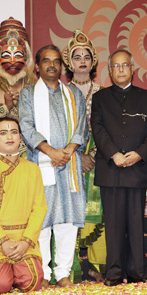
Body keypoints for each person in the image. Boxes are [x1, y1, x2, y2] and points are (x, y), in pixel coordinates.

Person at [19, 45, 88, 288]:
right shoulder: (28, 94)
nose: (51, 65)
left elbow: (82, 128)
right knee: (42, 219)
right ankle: (44, 274)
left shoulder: (74, 94)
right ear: (37, 67)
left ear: (62, 66)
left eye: (56, 61)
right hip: (41, 164)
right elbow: (26, 128)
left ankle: (63, 273)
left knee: (67, 221)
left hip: (69, 166)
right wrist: (51, 152)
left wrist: (67, 152)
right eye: (46, 61)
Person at [91, 49, 147, 286]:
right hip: (110, 169)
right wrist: (114, 154)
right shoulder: (100, 99)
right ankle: (113, 273)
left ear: (133, 69)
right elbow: (97, 129)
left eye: (125, 65)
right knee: (113, 225)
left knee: (135, 222)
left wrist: (138, 154)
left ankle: (138, 272)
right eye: (115, 66)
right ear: (109, 71)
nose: (120, 70)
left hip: (136, 168)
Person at [0, 118, 47, 294]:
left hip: (23, 239)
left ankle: (16, 270)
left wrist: (25, 242)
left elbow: (40, 208)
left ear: (20, 137)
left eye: (14, 132)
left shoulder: (32, 169)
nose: (9, 137)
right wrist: (3, 242)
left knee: (32, 282)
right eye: (3, 133)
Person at [61, 30, 106, 281]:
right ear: (69, 62)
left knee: (97, 215)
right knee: (68, 214)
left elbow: (107, 130)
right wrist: (78, 157)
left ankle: (98, 266)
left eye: (86, 56)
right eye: (76, 56)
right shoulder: (61, 93)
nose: (81, 60)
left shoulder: (103, 92)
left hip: (97, 162)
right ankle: (70, 269)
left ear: (93, 61)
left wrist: (93, 156)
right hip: (68, 162)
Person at [0, 18, 35, 127]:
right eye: (7, 56)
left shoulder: (34, 88)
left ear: (26, 58)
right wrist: (6, 107)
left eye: (18, 55)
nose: (12, 61)